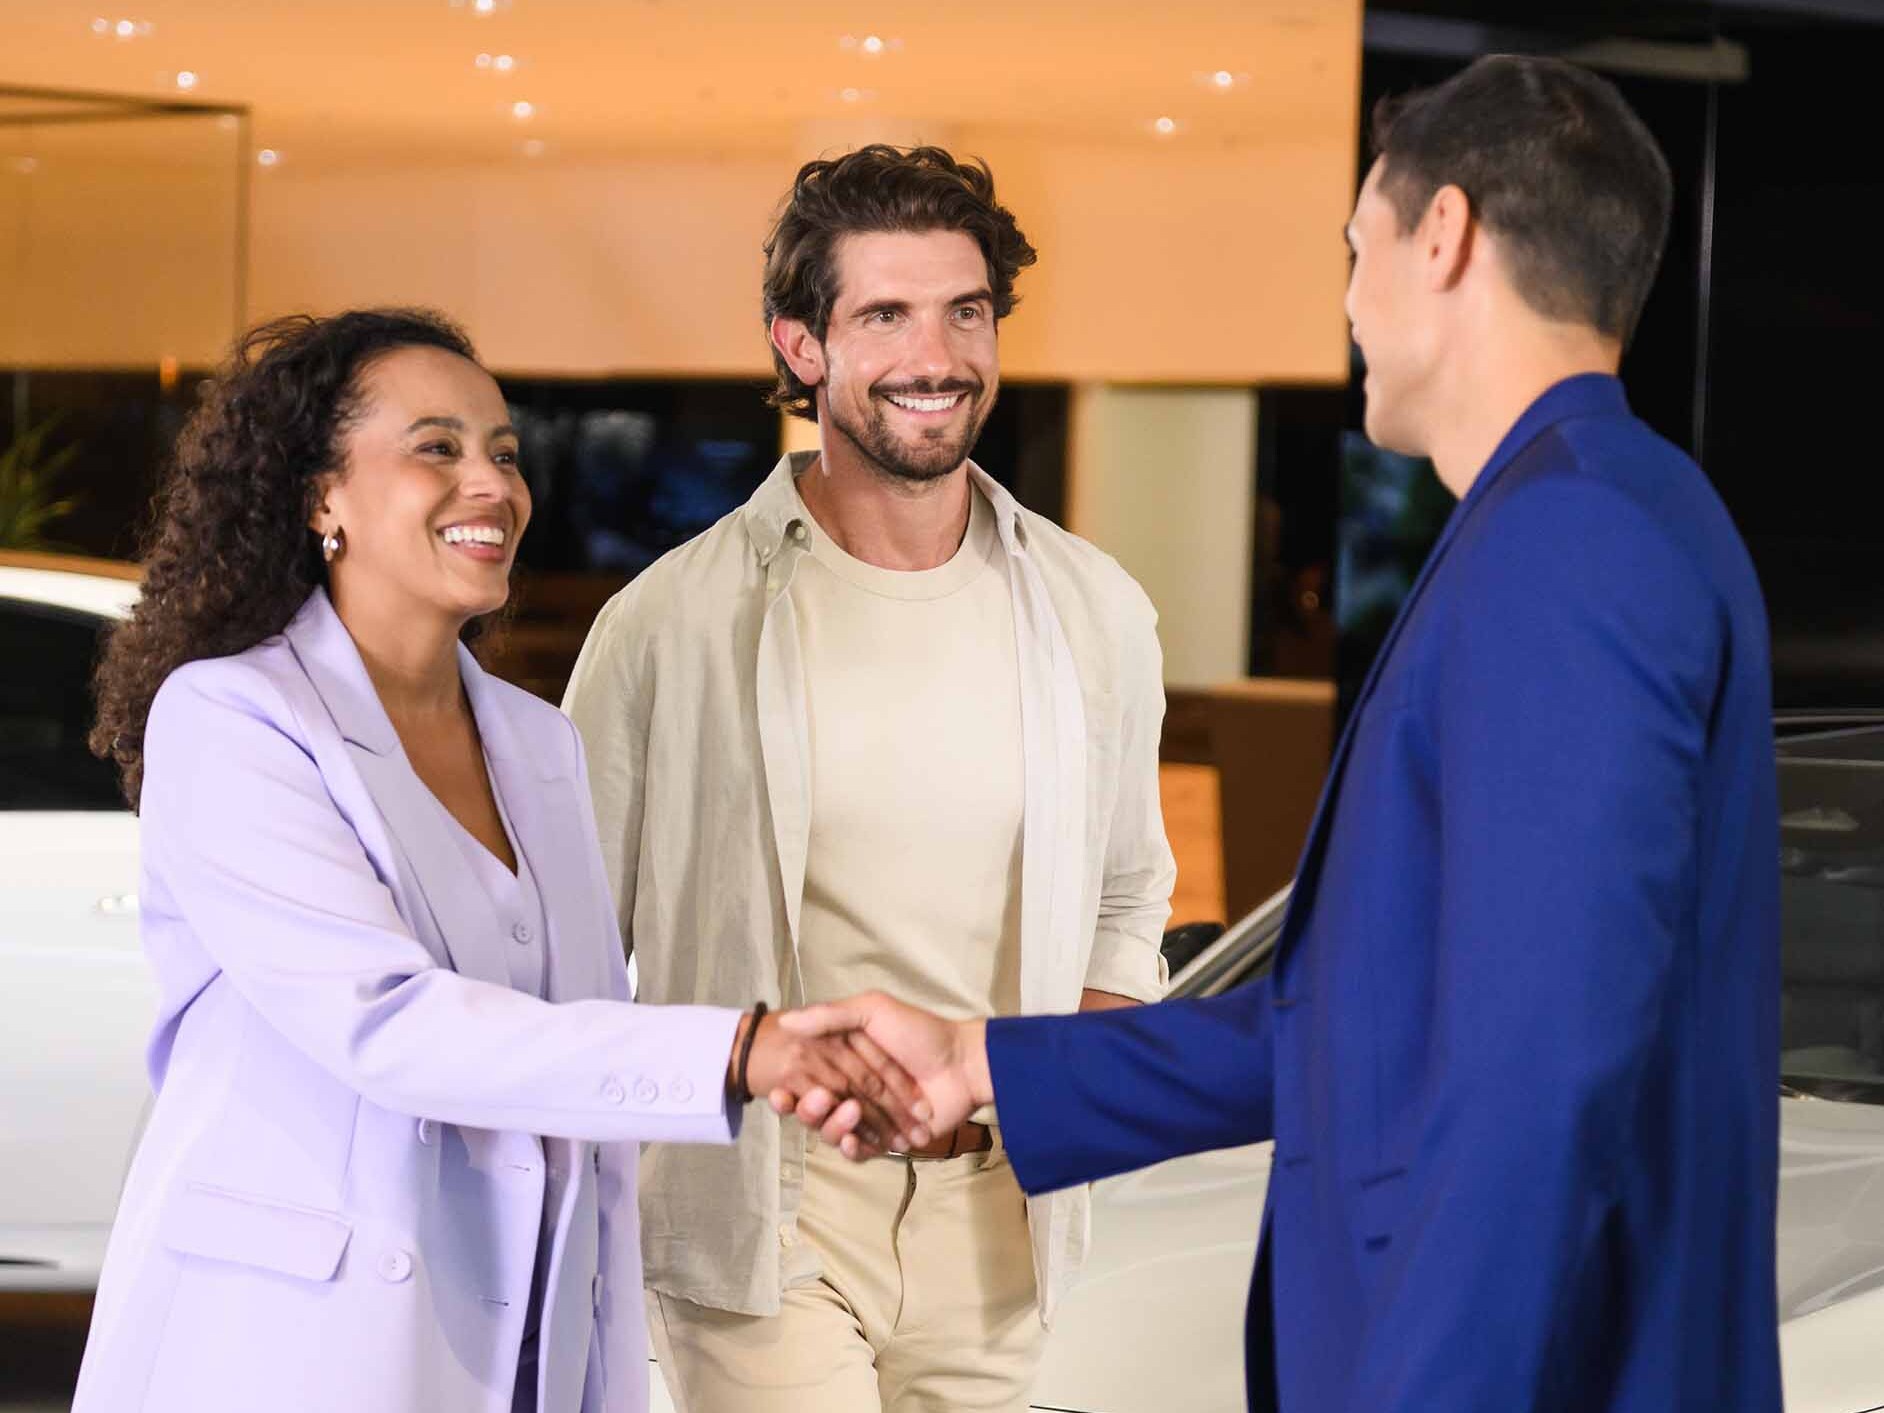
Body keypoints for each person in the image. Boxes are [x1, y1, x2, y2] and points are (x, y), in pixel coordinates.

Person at [788, 56, 1782, 1413]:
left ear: (1444, 236)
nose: (1348, 302)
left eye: (1355, 249)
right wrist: (983, 1061)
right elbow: (1364, 1022)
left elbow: (1536, 1078)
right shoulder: (1602, 511)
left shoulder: (1573, 540)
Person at [75, 309, 923, 1413]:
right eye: (437, 448)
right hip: (293, 1344)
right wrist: (741, 1052)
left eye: (505, 453)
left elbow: (580, 1083)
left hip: (519, 1343)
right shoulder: (232, 718)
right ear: (318, 494)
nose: (493, 484)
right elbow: (386, 1024)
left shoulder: (539, 742)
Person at [562, 145, 1176, 1413]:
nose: (934, 354)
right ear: (801, 346)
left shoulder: (1093, 611)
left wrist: (1076, 1097)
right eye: (884, 314)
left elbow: (1126, 901)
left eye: (965, 310)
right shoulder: (668, 624)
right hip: (763, 1211)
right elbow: (570, 943)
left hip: (1001, 1215)